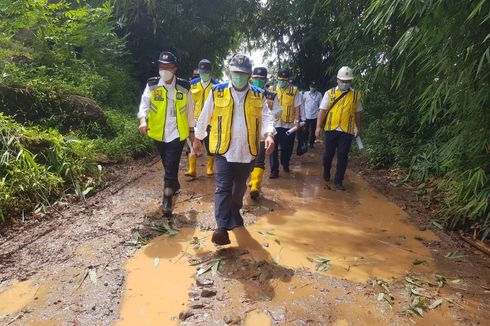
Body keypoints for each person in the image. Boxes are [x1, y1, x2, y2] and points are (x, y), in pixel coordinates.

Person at [193, 54, 275, 245]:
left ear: (249, 75)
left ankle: (234, 212)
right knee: (223, 187)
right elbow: (205, 116)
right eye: (235, 73)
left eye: (243, 74)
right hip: (223, 150)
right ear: (230, 73)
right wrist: (198, 138)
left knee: (239, 188)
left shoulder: (257, 94)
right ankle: (221, 228)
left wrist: (269, 135)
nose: (238, 76)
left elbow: (267, 117)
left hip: (247, 152)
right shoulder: (217, 91)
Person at [137, 51, 195, 216]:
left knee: (171, 165)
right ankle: (174, 184)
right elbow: (144, 104)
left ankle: (167, 199)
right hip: (158, 133)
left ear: (174, 68)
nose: (163, 70)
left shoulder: (184, 87)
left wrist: (192, 132)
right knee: (167, 163)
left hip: (177, 133)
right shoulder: (152, 84)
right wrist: (143, 120)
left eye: (167, 67)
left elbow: (190, 110)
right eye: (161, 66)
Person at [315, 66, 363, 191]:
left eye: (347, 81)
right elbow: (322, 111)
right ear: (337, 80)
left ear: (351, 81)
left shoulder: (356, 95)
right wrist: (318, 127)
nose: (344, 83)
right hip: (331, 129)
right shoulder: (329, 93)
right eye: (342, 81)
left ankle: (338, 181)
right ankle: (326, 171)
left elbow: (358, 113)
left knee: (343, 155)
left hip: (347, 130)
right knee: (328, 155)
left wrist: (359, 128)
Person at [248, 67, 282, 200]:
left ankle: (255, 185)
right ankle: (252, 179)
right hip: (248, 131)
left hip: (263, 132)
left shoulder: (272, 96)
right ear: (251, 78)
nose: (258, 81)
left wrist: (267, 114)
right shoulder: (247, 93)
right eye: (256, 78)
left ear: (266, 80)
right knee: (249, 158)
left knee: (260, 158)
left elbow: (279, 112)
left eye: (261, 79)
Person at [186, 59, 218, 177]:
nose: (203, 74)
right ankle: (192, 169)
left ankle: (209, 168)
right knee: (192, 144)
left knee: (210, 145)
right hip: (194, 120)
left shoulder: (216, 86)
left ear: (210, 71)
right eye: (201, 71)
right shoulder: (192, 84)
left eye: (206, 72)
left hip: (210, 121)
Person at [269, 68, 301, 178]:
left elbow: (297, 107)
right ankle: (274, 170)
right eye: (280, 79)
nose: (282, 81)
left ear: (288, 80)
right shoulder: (271, 89)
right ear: (277, 78)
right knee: (272, 146)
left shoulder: (294, 91)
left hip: (288, 124)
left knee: (287, 148)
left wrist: (297, 121)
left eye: (285, 79)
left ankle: (285, 162)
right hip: (275, 124)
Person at [303, 81, 323, 148]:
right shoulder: (305, 94)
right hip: (306, 115)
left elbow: (321, 105)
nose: (312, 88)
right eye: (311, 87)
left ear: (316, 88)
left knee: (314, 130)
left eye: (313, 87)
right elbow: (302, 104)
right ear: (309, 87)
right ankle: (305, 142)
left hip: (315, 116)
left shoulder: (319, 94)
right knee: (306, 130)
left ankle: (311, 143)